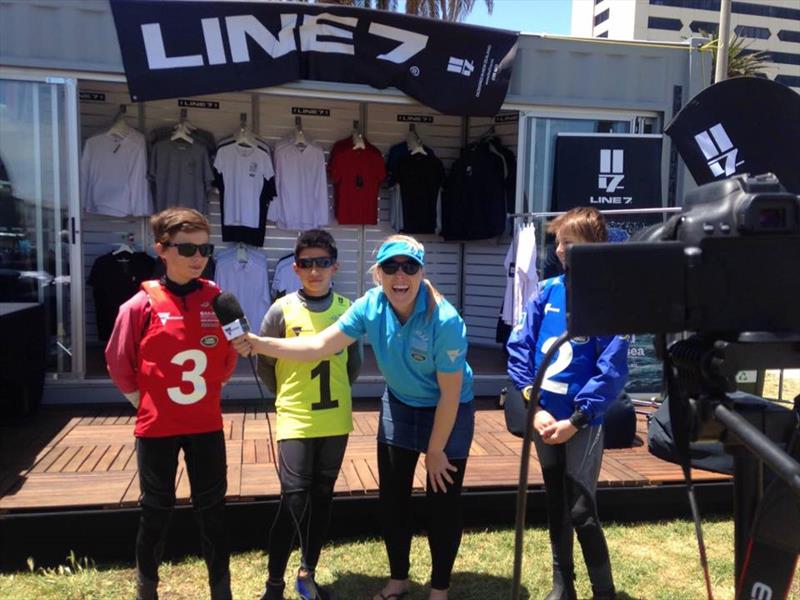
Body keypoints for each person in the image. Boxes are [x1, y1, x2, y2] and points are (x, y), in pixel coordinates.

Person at [234, 234, 474, 600]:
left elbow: (452, 393)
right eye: (390, 267)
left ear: (421, 271)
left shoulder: (445, 320)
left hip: (448, 409)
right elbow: (318, 346)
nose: (400, 275)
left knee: (442, 500)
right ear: (377, 273)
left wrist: (436, 449)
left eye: (409, 267)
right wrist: (258, 343)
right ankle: (398, 579)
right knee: (393, 498)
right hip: (400, 404)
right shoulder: (370, 305)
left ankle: (439, 588)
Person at [105, 208, 238, 600]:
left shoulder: (218, 299)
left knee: (213, 512)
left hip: (205, 424)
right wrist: (140, 401)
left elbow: (231, 353)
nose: (198, 257)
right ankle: (147, 588)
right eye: (187, 248)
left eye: (205, 248)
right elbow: (117, 359)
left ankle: (222, 590)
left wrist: (213, 387)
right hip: (157, 427)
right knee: (155, 511)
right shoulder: (140, 305)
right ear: (161, 249)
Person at [506, 207, 629, 600]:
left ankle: (603, 591)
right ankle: (564, 584)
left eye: (569, 243)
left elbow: (611, 370)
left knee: (580, 508)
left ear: (594, 248)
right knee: (556, 503)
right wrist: (535, 407)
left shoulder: (609, 300)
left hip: (581, 423)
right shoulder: (546, 291)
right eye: (557, 242)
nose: (559, 250)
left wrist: (576, 419)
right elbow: (520, 351)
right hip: (544, 417)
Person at [256, 229, 362, 600]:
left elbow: (353, 366)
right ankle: (274, 584)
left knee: (322, 498)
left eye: (322, 263)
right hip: (296, 418)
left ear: (335, 266)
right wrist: (288, 395)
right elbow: (265, 365)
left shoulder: (348, 310)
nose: (314, 271)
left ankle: (308, 572)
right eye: (306, 264)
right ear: (295, 269)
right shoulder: (281, 310)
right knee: (294, 500)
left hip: (335, 419)